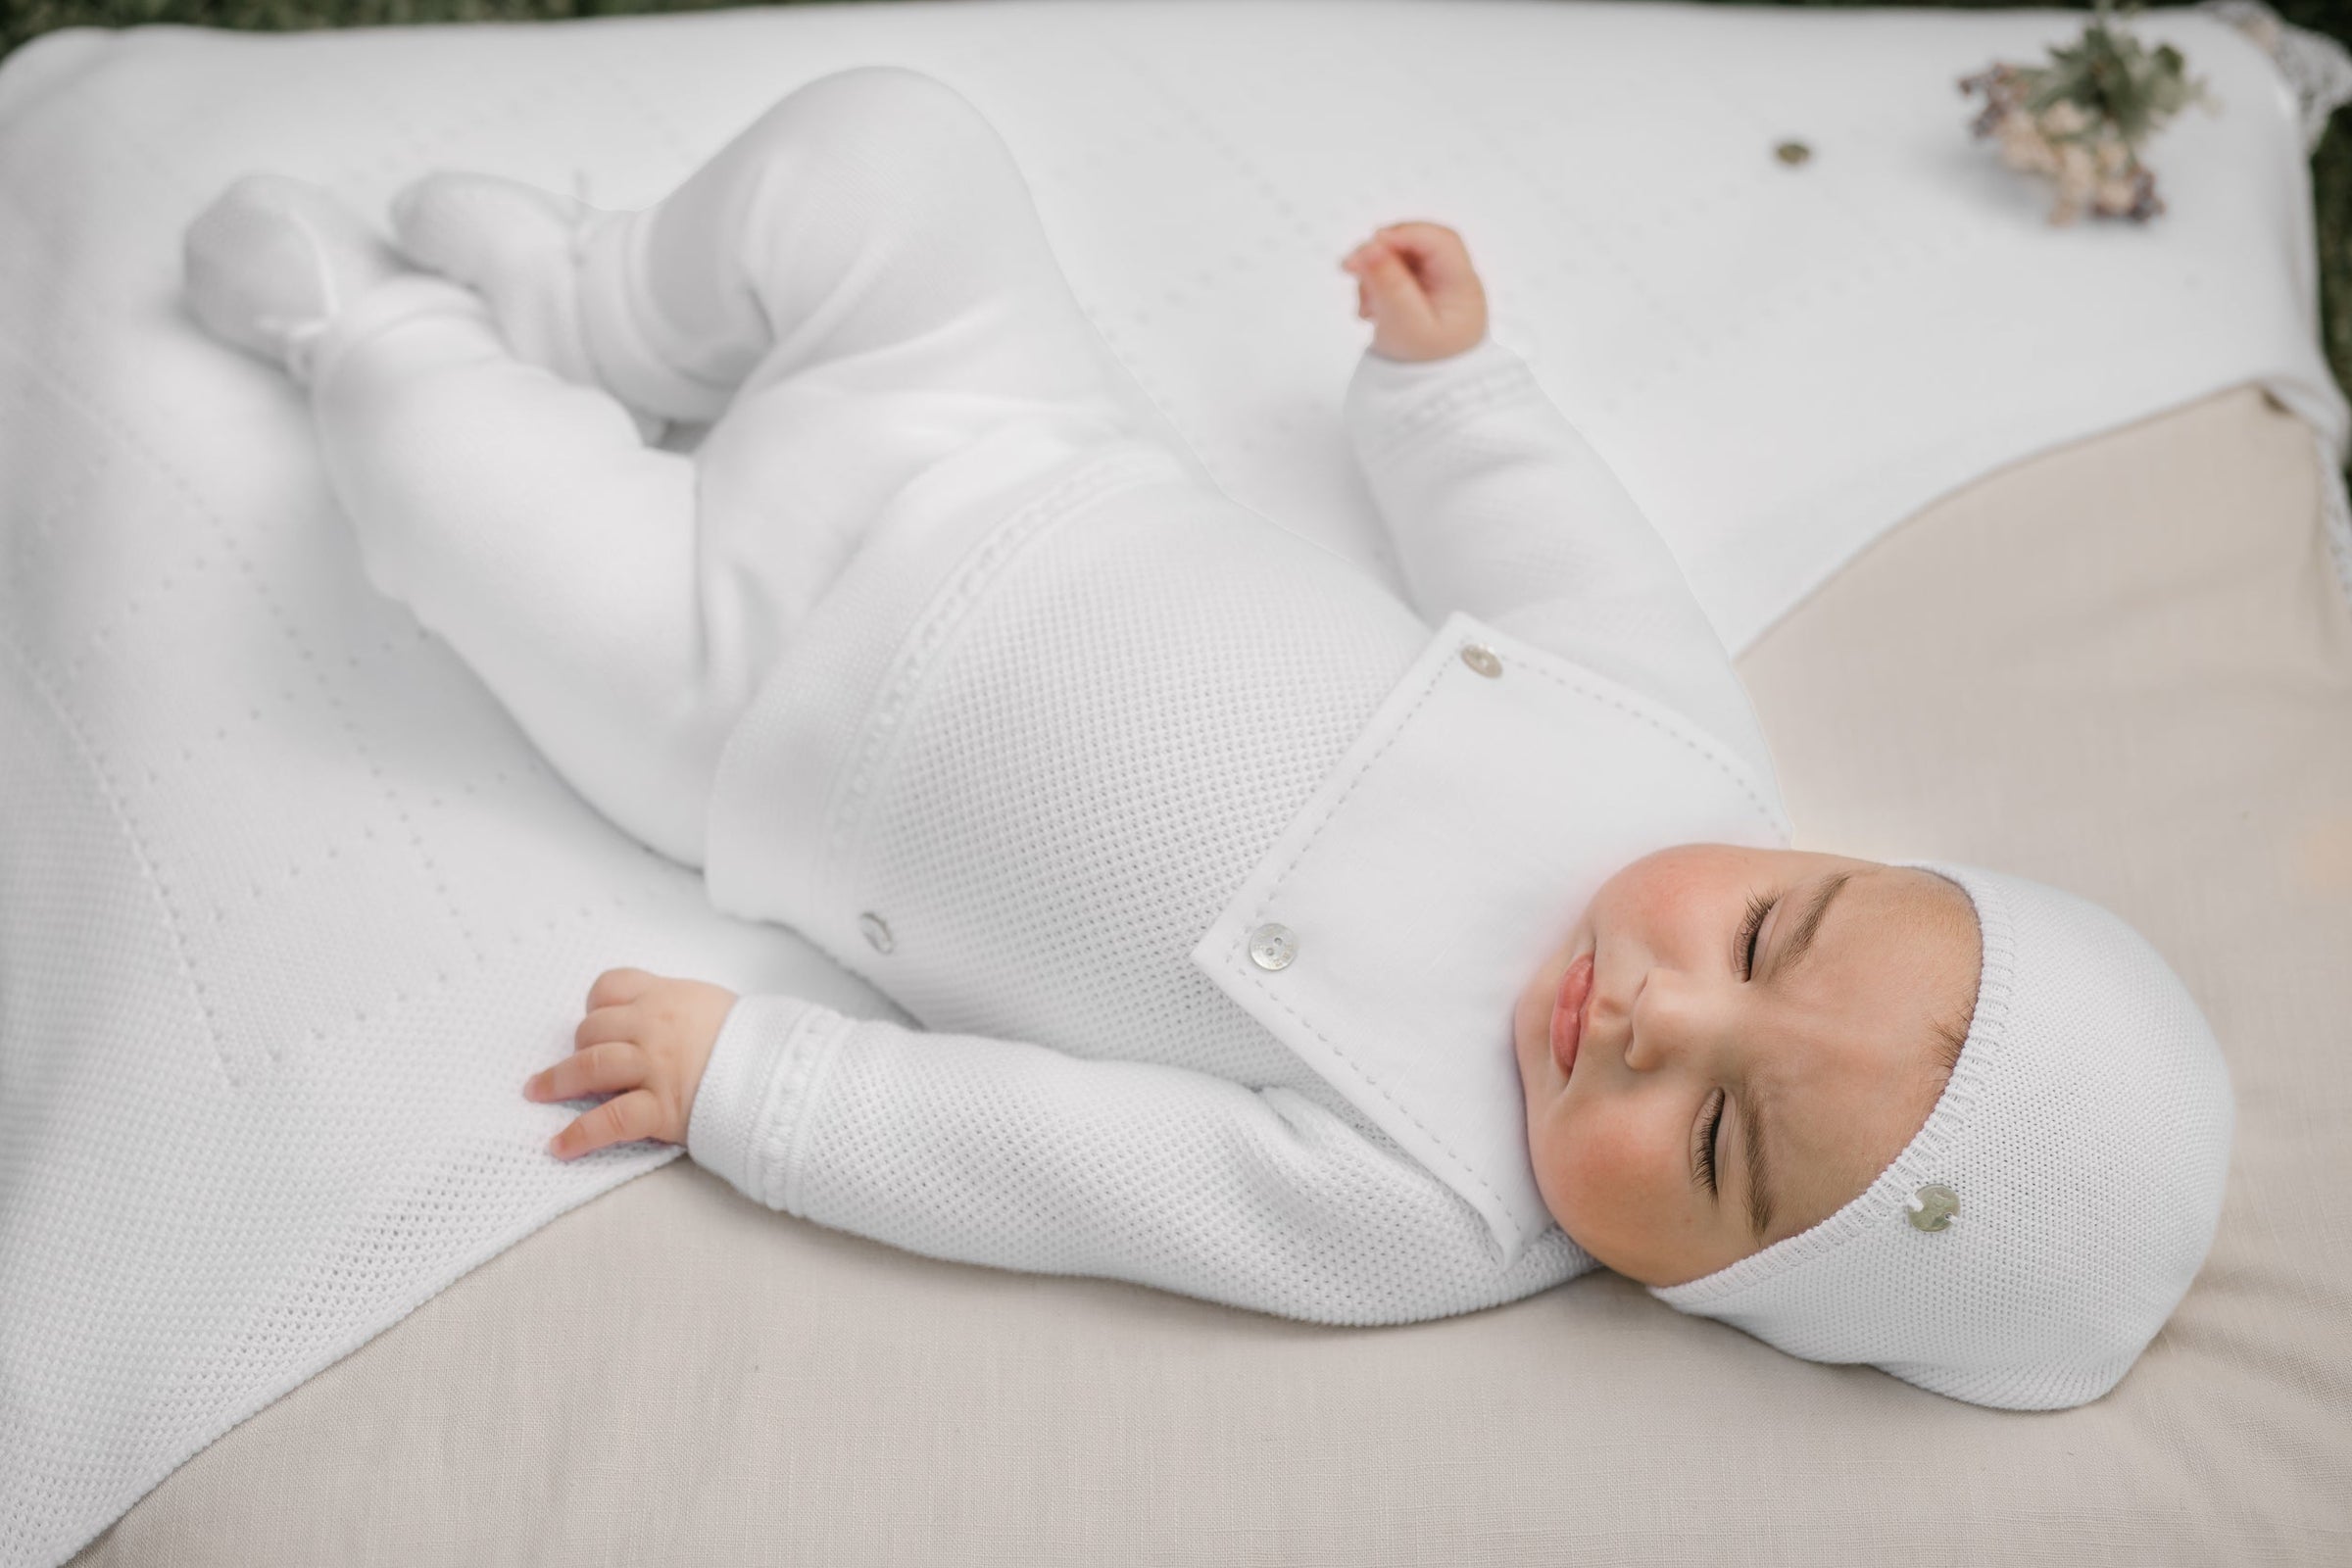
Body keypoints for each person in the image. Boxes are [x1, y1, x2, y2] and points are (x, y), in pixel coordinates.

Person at [180, 65, 2232, 1411]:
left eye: (1712, 1141)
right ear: (1830, 861)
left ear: (1714, 1294)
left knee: (460, 510)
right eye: (1770, 938)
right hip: (1010, 444)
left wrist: (765, 1085)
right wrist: (1451, 393)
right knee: (900, 149)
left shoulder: (1429, 1204)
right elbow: (1557, 551)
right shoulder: (1676, 758)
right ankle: (611, 303)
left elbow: (1063, 1165)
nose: (1654, 1014)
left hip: (742, 714)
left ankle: (370, 336)